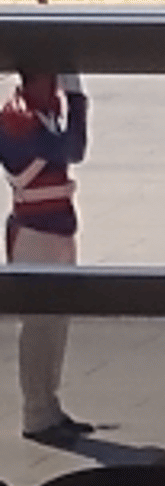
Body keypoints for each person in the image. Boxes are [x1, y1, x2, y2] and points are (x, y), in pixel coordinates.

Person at [0, 65, 94, 447]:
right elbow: (73, 149)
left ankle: (49, 405)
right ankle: (35, 414)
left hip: (56, 228)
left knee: (56, 325)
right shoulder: (16, 119)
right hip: (35, 232)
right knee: (39, 328)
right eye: (51, 76)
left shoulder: (42, 113)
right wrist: (78, 100)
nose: (56, 83)